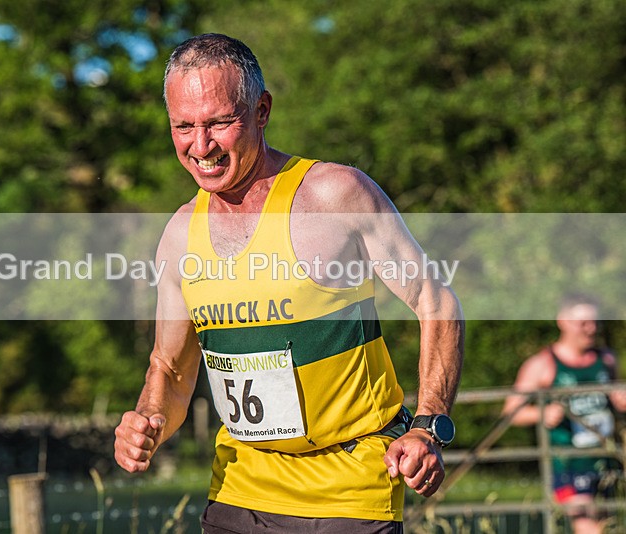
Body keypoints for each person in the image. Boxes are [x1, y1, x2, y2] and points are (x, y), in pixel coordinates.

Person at [114, 33, 464, 533]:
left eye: (219, 123)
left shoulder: (335, 196)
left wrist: (428, 426)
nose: (201, 146)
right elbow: (170, 369)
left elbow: (436, 302)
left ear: (261, 111)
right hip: (241, 487)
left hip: (349, 489)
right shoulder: (179, 236)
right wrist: (147, 421)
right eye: (183, 126)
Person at [502, 294, 626, 534]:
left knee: (607, 526)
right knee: (587, 526)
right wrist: (541, 413)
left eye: (595, 322)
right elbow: (510, 412)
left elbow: (614, 402)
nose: (591, 329)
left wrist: (620, 403)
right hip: (566, 464)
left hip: (604, 460)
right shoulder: (542, 364)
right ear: (563, 321)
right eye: (583, 323)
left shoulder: (607, 359)